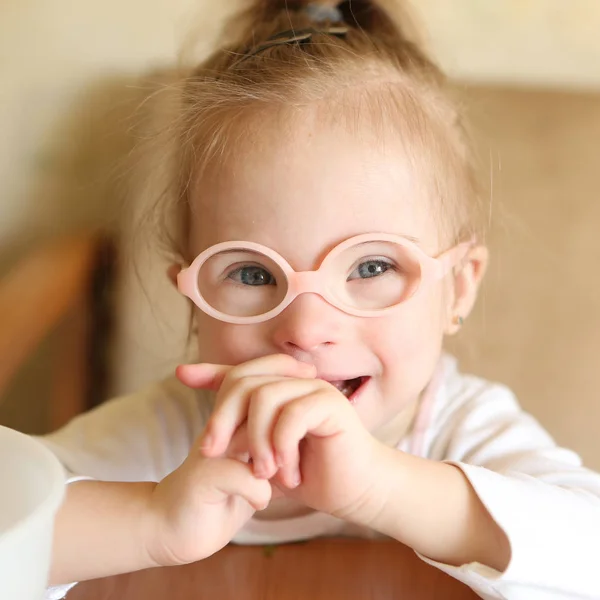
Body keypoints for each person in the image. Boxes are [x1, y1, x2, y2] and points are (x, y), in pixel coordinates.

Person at [42, 1, 600, 599]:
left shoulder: (461, 425)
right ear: (193, 299)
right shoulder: (173, 435)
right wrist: (151, 519)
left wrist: (382, 488)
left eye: (371, 265)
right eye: (253, 274)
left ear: (458, 287)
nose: (306, 329)